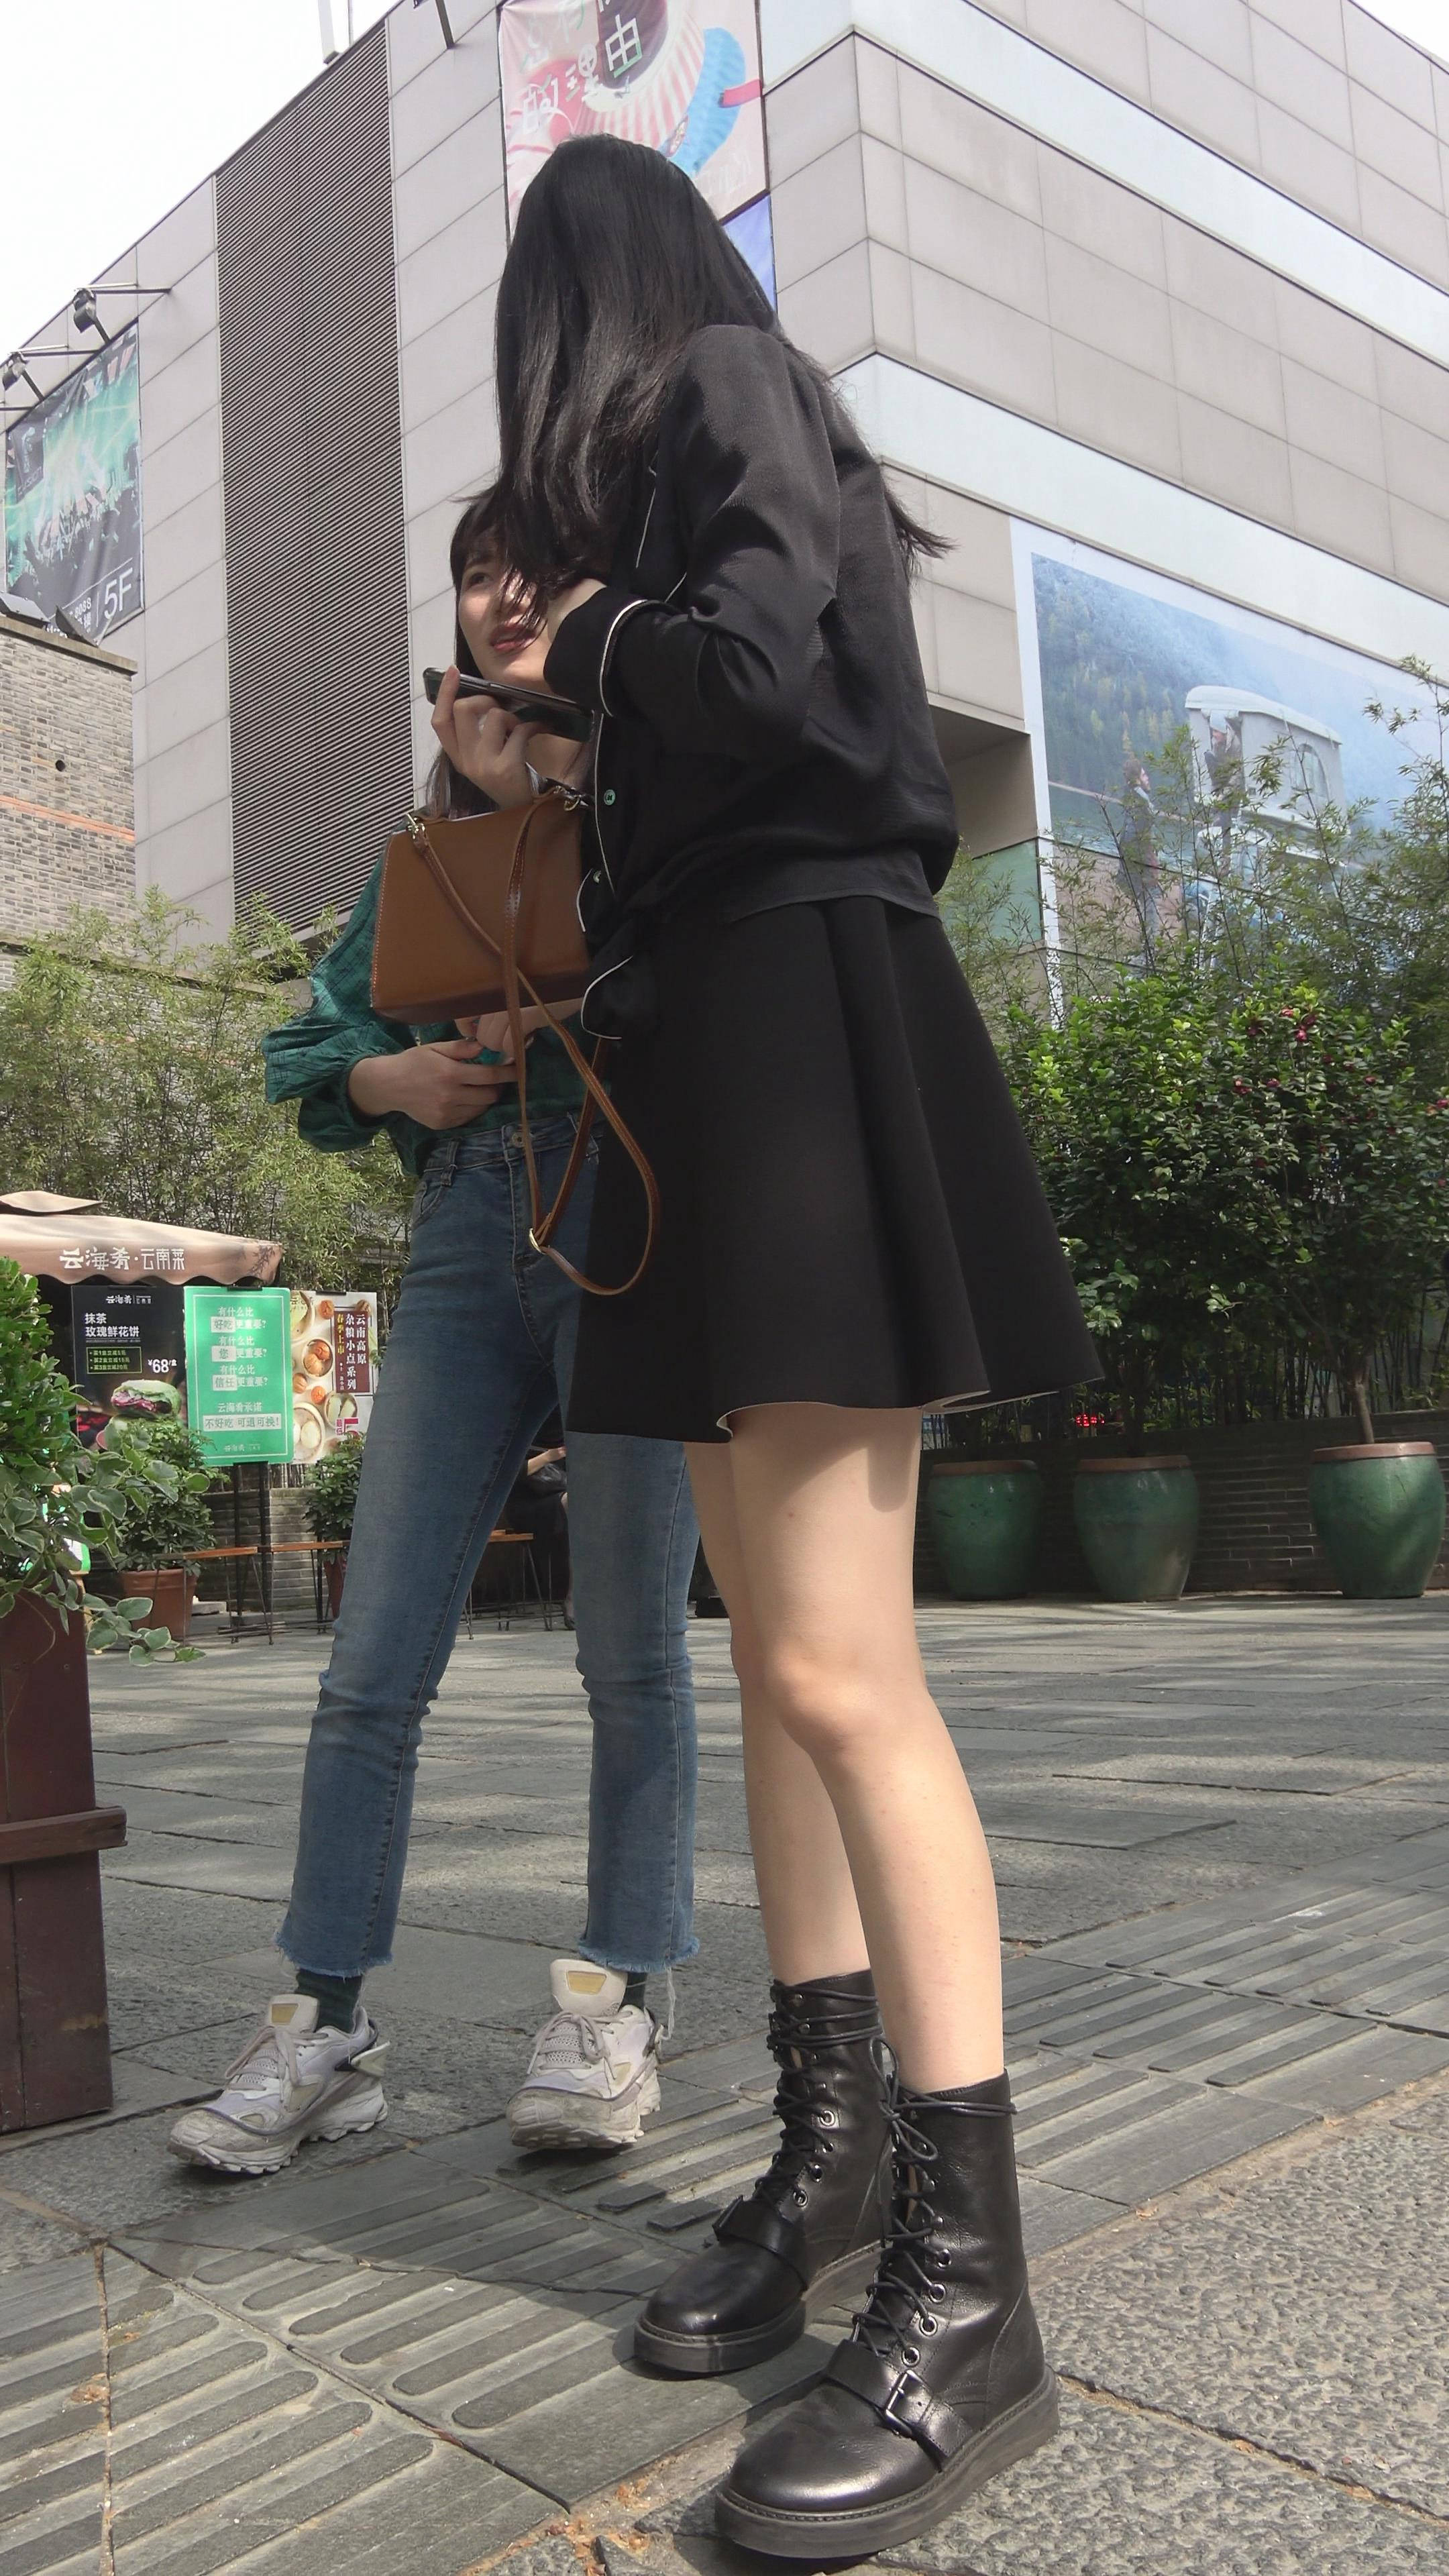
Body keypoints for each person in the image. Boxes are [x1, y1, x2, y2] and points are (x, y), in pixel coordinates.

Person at [488, 135, 1100, 2561]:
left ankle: (977, 2292)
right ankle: (838, 2165)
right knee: (773, 1664)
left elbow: (748, 675)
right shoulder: (698, 458)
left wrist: (587, 655)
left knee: (845, 1670)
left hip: (806, 1033)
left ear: (586, 306)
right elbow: (723, 708)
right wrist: (558, 735)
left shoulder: (733, 380)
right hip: (721, 1047)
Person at [167, 488, 700, 2178]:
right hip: (470, 1228)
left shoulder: (650, 785)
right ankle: (324, 2022)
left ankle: (618, 2003)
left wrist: (543, 800)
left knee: (633, 1647)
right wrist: (390, 1078)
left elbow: (714, 978)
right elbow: (307, 1050)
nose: (500, 596)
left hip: (620, 1215)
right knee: (370, 1657)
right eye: (476, 574)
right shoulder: (416, 854)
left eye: (530, 570)